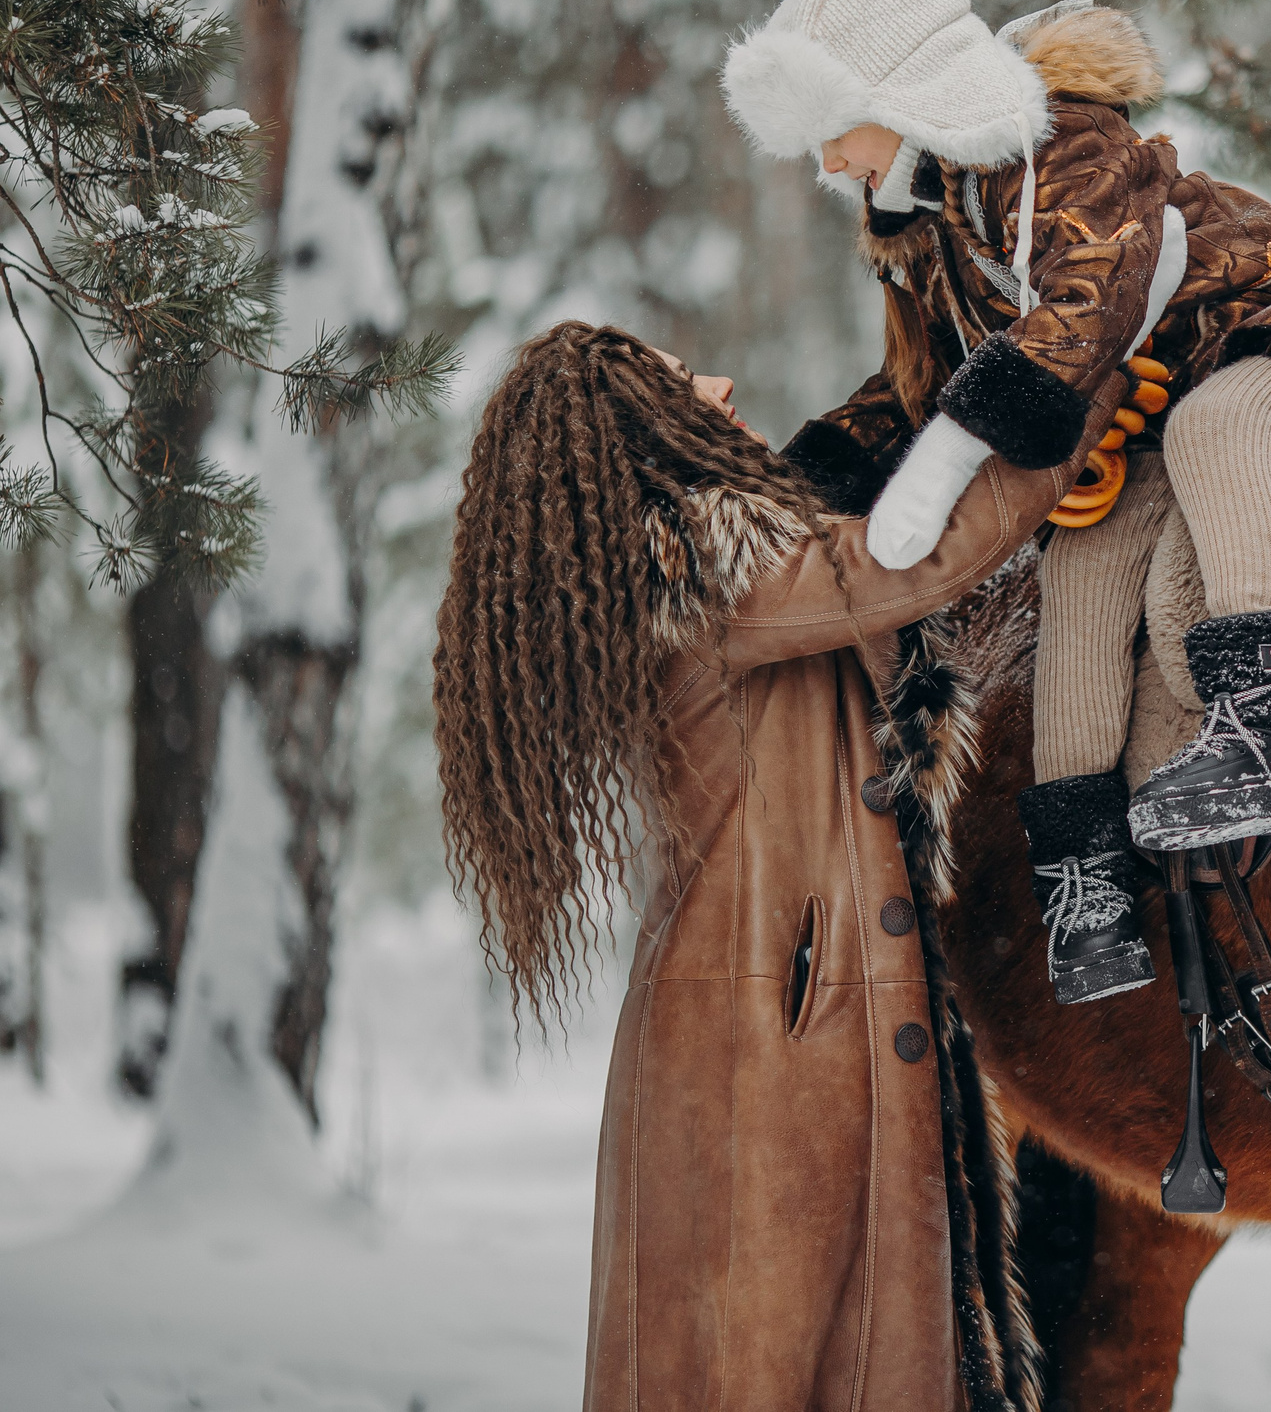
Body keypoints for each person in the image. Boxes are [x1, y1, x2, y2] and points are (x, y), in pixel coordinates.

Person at [721, 0, 1271, 1007]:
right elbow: (924, 387)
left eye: (831, 131)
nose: (828, 167)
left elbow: (1089, 298)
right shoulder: (934, 230)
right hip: (1137, 414)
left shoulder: (1059, 149)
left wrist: (955, 453)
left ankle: (1269, 719)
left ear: (896, 93)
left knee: (1217, 431)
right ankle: (1087, 877)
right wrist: (802, 481)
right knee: (1083, 575)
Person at [431, 320, 1119, 1411]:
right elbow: (909, 563)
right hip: (763, 1049)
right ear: (642, 434)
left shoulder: (721, 564)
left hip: (777, 1031)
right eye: (678, 381)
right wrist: (1068, 399)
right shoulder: (699, 561)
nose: (721, 376)